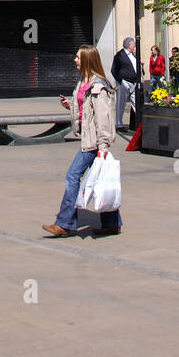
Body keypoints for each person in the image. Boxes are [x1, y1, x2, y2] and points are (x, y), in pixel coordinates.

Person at [44, 45, 122, 238]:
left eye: (78, 57)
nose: (75, 60)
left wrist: (103, 145)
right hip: (88, 138)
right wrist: (70, 106)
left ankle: (65, 223)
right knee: (101, 179)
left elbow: (103, 117)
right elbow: (85, 109)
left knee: (72, 176)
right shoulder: (83, 81)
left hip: (94, 142)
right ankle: (112, 223)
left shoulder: (98, 86)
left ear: (87, 60)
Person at [111, 36, 139, 128]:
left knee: (136, 103)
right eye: (133, 44)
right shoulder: (120, 55)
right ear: (129, 45)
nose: (134, 46)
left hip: (134, 82)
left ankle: (140, 123)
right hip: (125, 82)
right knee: (121, 103)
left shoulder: (133, 55)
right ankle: (119, 123)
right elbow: (114, 69)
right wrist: (121, 81)